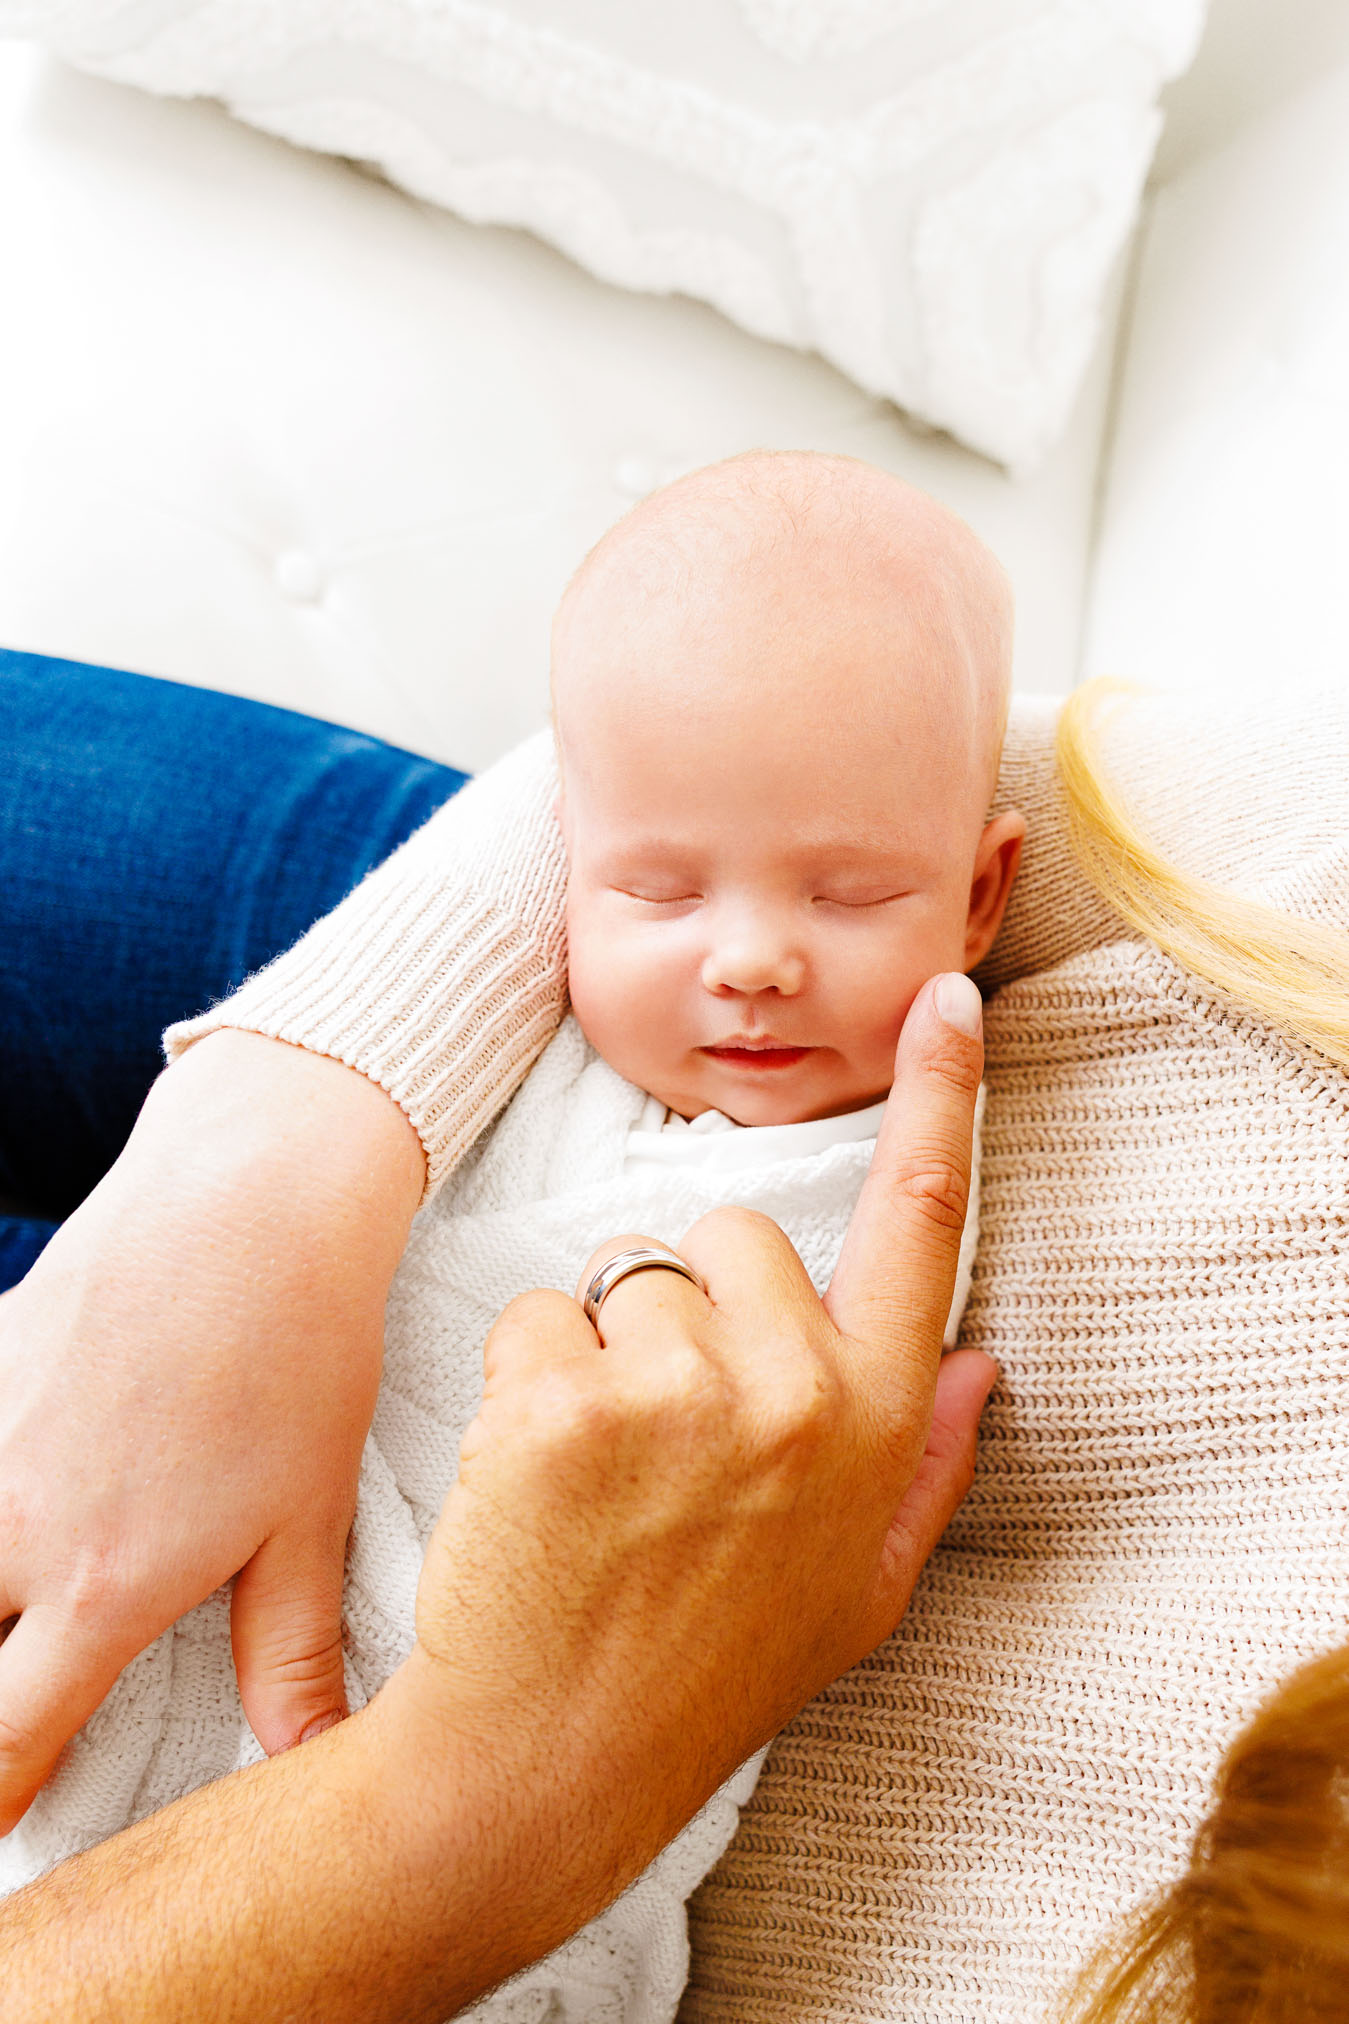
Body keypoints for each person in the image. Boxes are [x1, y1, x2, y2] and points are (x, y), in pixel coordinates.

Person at [1, 452, 1025, 2020]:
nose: (749, 958)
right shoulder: (599, 958)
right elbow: (586, 773)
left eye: (849, 891)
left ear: (979, 899)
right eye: (660, 890)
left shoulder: (872, 1158)